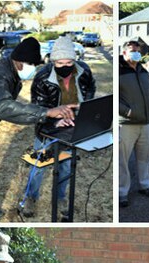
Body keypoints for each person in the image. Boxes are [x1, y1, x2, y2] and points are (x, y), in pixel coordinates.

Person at [0, 35, 76, 222]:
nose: (33, 70)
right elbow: (4, 108)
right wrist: (47, 112)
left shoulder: (10, 70)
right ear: (19, 62)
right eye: (32, 65)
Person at [20, 36, 97, 220]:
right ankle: (30, 197)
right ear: (53, 61)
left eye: (69, 62)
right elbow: (38, 110)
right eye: (60, 63)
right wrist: (54, 122)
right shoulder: (42, 78)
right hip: (48, 128)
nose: (65, 66)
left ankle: (61, 197)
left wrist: (84, 107)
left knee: (66, 166)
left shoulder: (84, 70)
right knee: (39, 165)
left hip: (73, 126)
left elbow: (90, 90)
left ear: (75, 59)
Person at [118, 37, 149, 210]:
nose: (135, 52)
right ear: (124, 52)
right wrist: (127, 111)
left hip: (145, 122)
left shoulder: (142, 71)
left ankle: (145, 185)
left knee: (144, 156)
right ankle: (122, 192)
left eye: (137, 50)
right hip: (127, 123)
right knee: (123, 161)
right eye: (131, 49)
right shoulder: (118, 71)